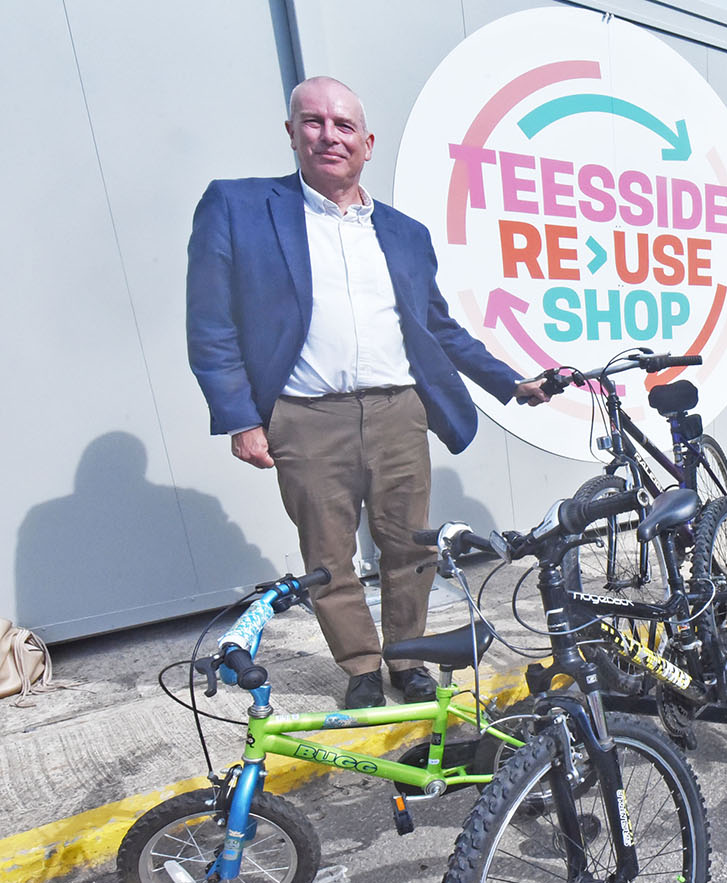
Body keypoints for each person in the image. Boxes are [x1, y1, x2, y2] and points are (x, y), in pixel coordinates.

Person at [186, 76, 552, 708]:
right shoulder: (238, 208)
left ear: (367, 143)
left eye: (344, 125)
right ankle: (360, 666)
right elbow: (211, 323)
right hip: (304, 416)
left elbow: (437, 325)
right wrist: (242, 418)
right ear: (292, 132)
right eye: (313, 122)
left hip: (397, 411)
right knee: (327, 553)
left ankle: (407, 657)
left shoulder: (405, 233)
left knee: (410, 546)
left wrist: (509, 381)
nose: (329, 136)